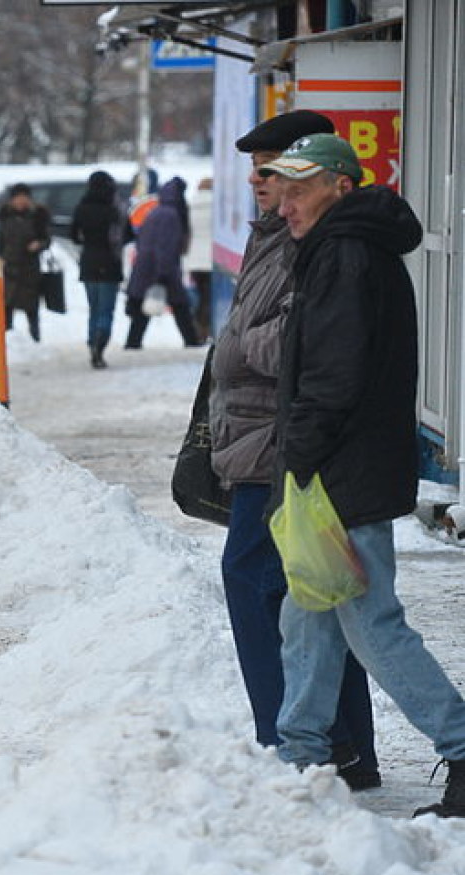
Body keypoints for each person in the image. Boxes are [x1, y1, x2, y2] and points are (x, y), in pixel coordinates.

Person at [262, 133, 465, 818]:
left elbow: (336, 373)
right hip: (340, 467)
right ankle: (301, 753)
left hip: (340, 471)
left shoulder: (345, 254)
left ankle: (463, 744)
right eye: (280, 189)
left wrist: (299, 453)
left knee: (371, 623)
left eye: (298, 189)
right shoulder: (341, 247)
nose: (284, 204)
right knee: (308, 614)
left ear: (340, 188)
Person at [209, 111, 379, 790]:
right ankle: (343, 744)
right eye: (256, 164)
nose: (258, 175)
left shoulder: (311, 241)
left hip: (284, 441)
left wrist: (237, 346)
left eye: (273, 164)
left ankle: (287, 739)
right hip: (261, 434)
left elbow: (300, 343)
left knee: (255, 577)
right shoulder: (275, 234)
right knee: (312, 591)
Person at [124, 177, 202, 349]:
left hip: (145, 267)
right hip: (161, 268)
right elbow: (165, 246)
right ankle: (191, 341)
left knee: (144, 308)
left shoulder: (156, 211)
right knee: (180, 306)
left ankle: (133, 343)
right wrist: (163, 273)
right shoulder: (171, 215)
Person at [69, 171, 125, 369]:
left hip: (89, 262)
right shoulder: (113, 209)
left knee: (93, 308)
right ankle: (100, 346)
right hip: (110, 263)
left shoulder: (81, 207)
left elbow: (74, 236)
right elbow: (125, 235)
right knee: (106, 310)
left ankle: (92, 342)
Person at [0, 183, 50, 339]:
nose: (20, 201)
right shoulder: (5, 217)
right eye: (17, 198)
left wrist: (39, 244)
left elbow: (46, 239)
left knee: (31, 308)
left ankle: (35, 338)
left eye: (24, 198)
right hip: (9, 267)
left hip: (29, 269)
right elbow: (0, 242)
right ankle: (7, 338)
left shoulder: (37, 216)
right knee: (7, 306)